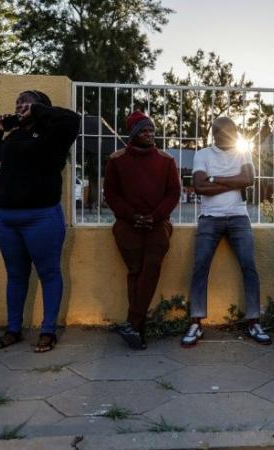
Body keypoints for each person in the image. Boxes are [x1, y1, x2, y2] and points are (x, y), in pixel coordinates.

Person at [0, 90, 80, 353]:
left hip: (42, 218)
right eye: (18, 103)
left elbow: (72, 119)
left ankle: (48, 331)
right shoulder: (15, 136)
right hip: (9, 219)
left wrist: (38, 111)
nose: (21, 106)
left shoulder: (54, 136)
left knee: (49, 274)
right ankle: (13, 329)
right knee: (15, 276)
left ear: (41, 108)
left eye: (28, 103)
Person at [181, 117, 271, 346]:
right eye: (226, 132)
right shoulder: (203, 154)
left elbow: (249, 179)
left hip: (239, 217)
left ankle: (253, 322)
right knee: (200, 266)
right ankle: (196, 323)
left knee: (249, 266)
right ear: (216, 134)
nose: (232, 136)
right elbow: (199, 186)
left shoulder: (242, 152)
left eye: (234, 132)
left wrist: (215, 179)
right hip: (210, 219)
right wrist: (234, 183)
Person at [104, 111, 180, 350]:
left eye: (151, 131)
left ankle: (133, 323)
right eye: (144, 131)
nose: (149, 135)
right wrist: (132, 216)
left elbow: (173, 193)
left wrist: (154, 216)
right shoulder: (116, 160)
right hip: (128, 224)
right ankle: (137, 329)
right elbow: (111, 194)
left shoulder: (166, 160)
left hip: (158, 223)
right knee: (135, 270)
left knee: (151, 266)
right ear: (134, 134)